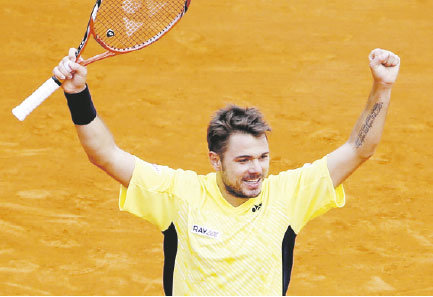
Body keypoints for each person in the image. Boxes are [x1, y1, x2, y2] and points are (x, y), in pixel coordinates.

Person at [53, 48, 400, 295]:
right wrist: (78, 93)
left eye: (263, 157)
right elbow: (105, 155)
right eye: (244, 160)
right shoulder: (180, 195)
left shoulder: (289, 195)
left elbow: (359, 149)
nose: (257, 170)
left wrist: (382, 86)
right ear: (215, 160)